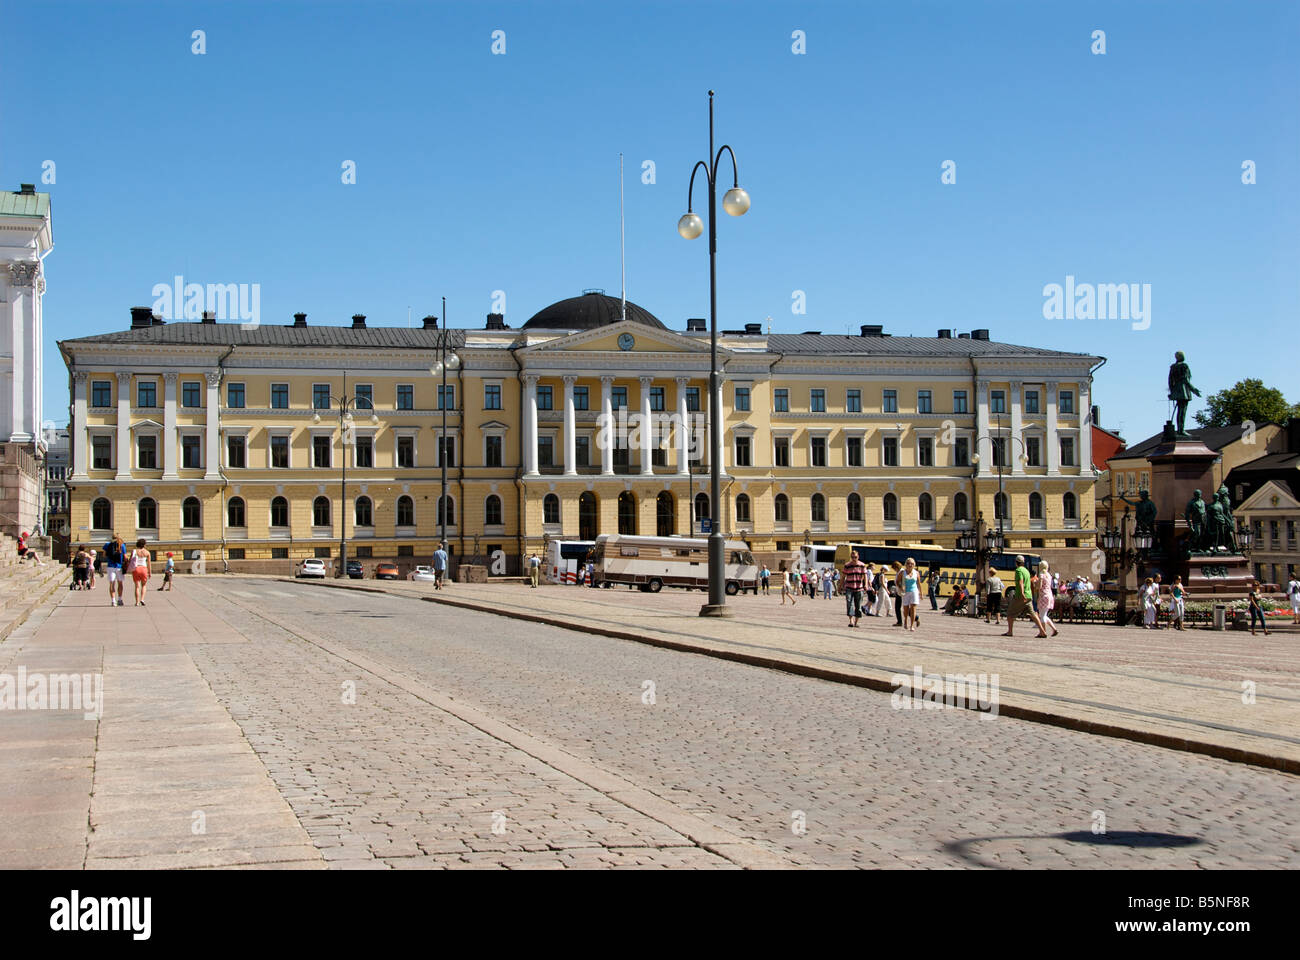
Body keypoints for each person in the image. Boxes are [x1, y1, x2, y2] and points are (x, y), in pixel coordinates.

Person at [1004, 555, 1047, 638]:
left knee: (1010, 613)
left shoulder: (1018, 570)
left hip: (1020, 596)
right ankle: (1042, 631)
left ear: (1016, 562)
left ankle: (1010, 631)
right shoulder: (1026, 571)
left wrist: (1022, 594)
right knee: (1033, 614)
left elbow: (1020, 582)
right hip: (1029, 595)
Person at [841, 550, 867, 627]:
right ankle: (851, 621)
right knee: (849, 604)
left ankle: (856, 622)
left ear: (858, 557)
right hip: (849, 587)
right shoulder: (847, 565)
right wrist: (840, 586)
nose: (854, 558)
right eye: (852, 557)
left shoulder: (862, 565)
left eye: (855, 557)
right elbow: (843, 576)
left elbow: (865, 575)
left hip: (859, 588)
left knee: (858, 606)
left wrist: (866, 585)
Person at [1035, 560, 1060, 637]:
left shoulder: (1041, 575)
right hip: (1049, 595)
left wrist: (1035, 583)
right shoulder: (1049, 575)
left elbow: (1039, 587)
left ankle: (1043, 632)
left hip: (1043, 595)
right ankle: (1054, 629)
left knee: (1042, 616)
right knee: (1044, 615)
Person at [102, 535, 126, 608]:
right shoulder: (122, 545)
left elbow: (104, 555)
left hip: (110, 566)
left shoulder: (107, 545)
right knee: (120, 583)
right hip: (119, 567)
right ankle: (120, 599)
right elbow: (125, 556)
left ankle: (113, 601)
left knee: (112, 584)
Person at [128, 538, 151, 606]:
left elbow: (130, 560)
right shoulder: (147, 552)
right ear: (144, 545)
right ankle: (142, 599)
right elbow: (149, 563)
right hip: (144, 568)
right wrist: (149, 572)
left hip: (136, 568)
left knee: (137, 586)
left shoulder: (134, 551)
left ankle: (137, 602)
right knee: (143, 585)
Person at [900, 557, 921, 632]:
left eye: (911, 564)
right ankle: (905, 620)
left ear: (914, 565)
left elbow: (918, 583)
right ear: (905, 564)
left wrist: (921, 593)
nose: (910, 565)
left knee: (913, 609)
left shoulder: (916, 573)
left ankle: (912, 625)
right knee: (906, 609)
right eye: (908, 563)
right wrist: (901, 587)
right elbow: (897, 581)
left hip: (914, 592)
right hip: (905, 592)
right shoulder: (903, 572)